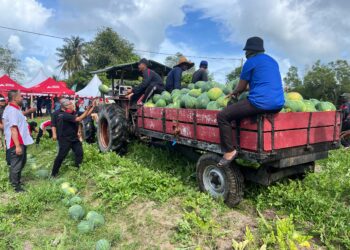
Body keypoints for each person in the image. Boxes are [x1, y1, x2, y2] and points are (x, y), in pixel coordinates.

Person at [216, 37, 285, 167]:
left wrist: (235, 92)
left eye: (246, 50)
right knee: (245, 110)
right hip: (278, 103)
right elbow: (260, 84)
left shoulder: (251, 62)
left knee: (223, 115)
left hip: (260, 102)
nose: (245, 53)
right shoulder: (273, 61)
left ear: (249, 51)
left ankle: (230, 151)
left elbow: (241, 87)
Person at [51, 99, 95, 177]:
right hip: (65, 139)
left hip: (74, 138)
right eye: (70, 104)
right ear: (65, 107)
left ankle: (77, 169)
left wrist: (92, 107)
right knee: (61, 156)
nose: (72, 105)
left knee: (79, 153)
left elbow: (86, 114)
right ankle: (53, 174)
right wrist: (87, 109)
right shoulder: (62, 115)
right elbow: (79, 119)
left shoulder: (73, 112)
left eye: (72, 104)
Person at [2, 90, 34, 192]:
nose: (22, 98)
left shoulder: (14, 109)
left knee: (21, 163)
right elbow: (13, 129)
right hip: (16, 142)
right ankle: (15, 187)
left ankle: (16, 182)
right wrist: (17, 146)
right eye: (20, 97)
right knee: (16, 165)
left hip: (20, 141)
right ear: (15, 98)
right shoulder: (12, 110)